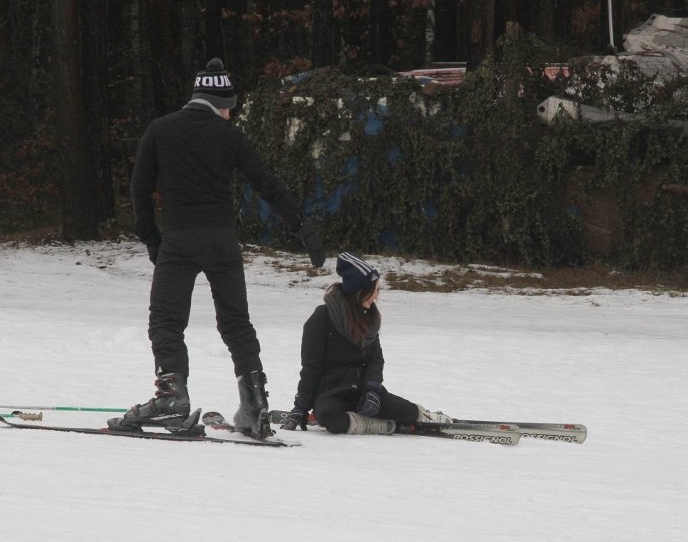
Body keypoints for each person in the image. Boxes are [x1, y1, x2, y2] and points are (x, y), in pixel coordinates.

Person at [109, 58, 325, 439]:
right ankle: (256, 405)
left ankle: (171, 399)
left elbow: (138, 189)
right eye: (230, 107)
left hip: (178, 239)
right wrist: (302, 227)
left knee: (166, 321)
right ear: (221, 102)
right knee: (236, 323)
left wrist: (152, 239)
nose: (230, 114)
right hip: (222, 241)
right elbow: (267, 184)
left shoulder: (160, 130)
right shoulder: (230, 137)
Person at [280, 252, 452, 435]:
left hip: (363, 390)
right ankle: (383, 426)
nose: (376, 296)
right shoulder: (322, 318)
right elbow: (310, 367)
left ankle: (424, 415)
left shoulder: (369, 319)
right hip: (331, 393)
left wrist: (372, 390)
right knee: (329, 417)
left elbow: (375, 359)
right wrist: (301, 407)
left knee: (406, 412)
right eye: (374, 290)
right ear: (358, 291)